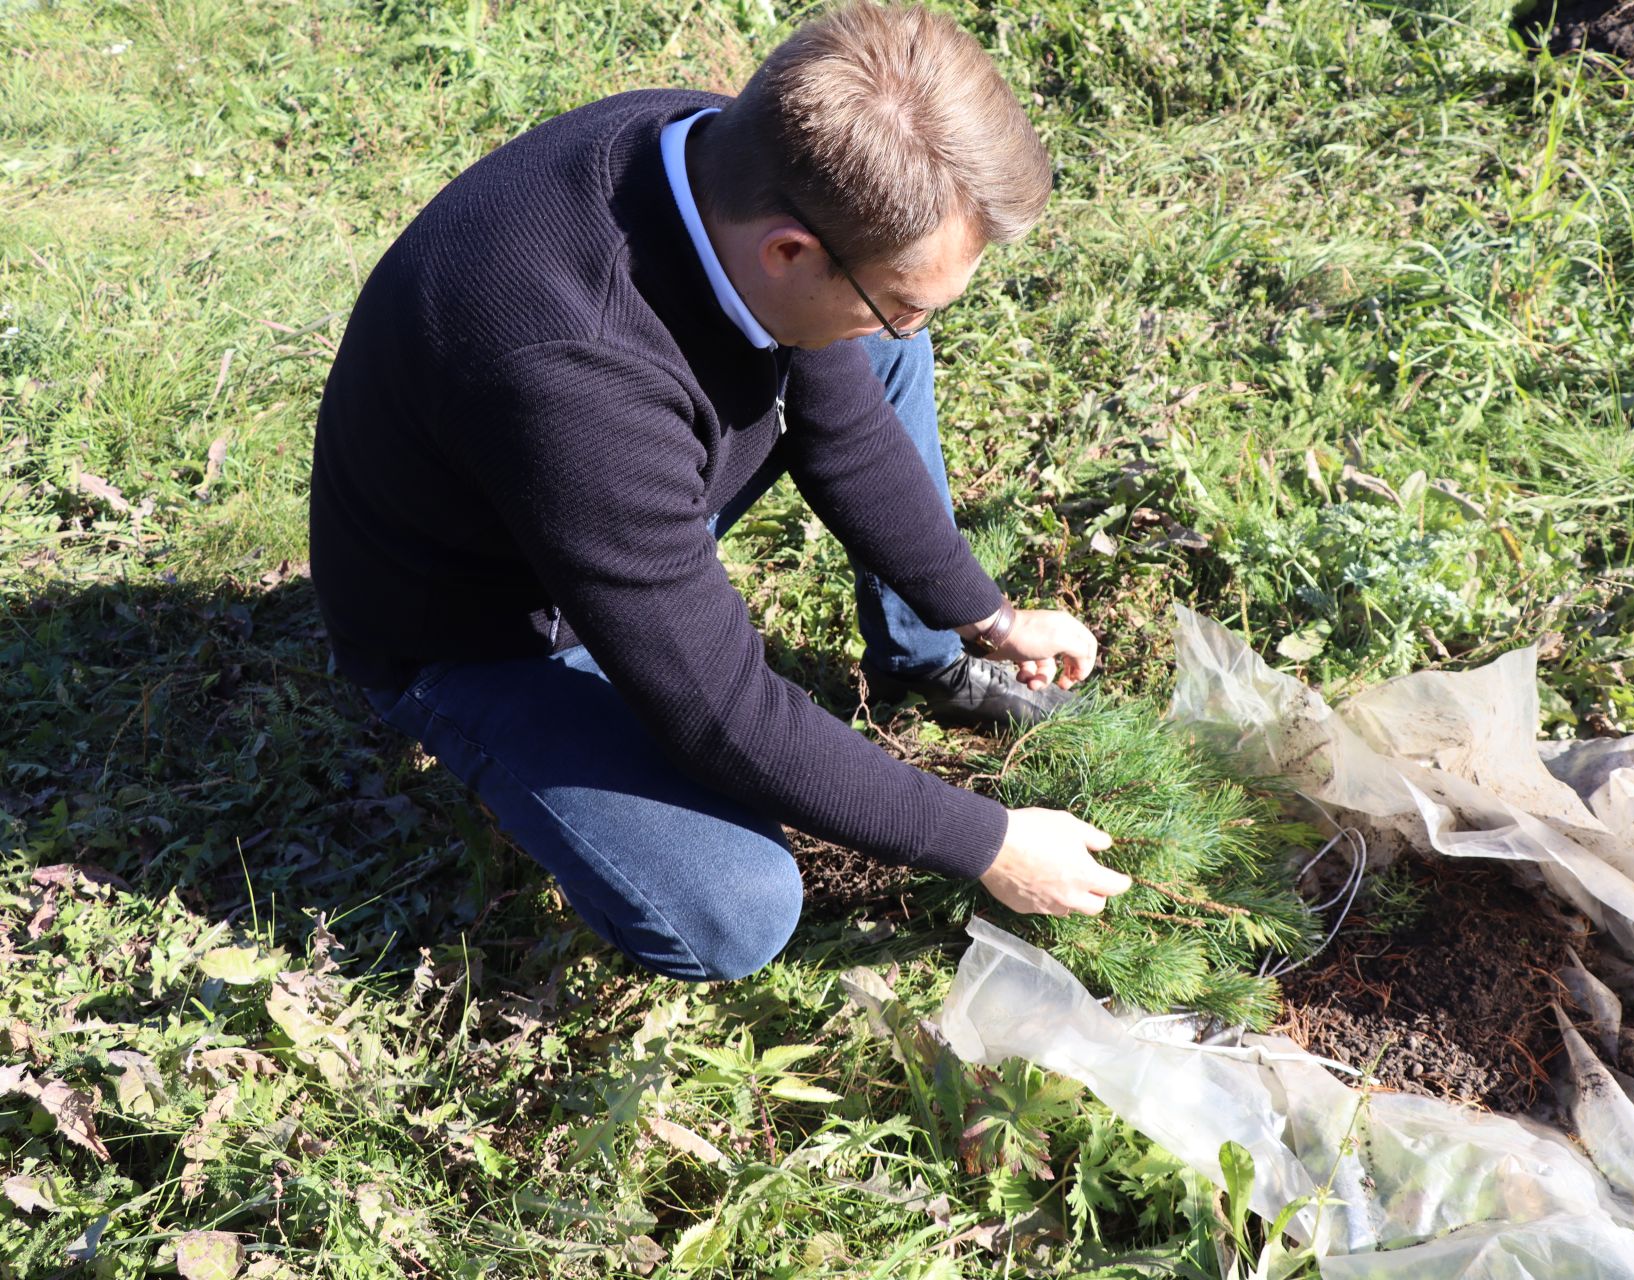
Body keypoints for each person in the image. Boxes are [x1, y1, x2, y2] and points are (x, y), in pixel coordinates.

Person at [306, 2, 1132, 982]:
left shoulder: (734, 156)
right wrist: (985, 840)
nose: (907, 325)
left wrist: (986, 614)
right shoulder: (573, 376)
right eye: (902, 302)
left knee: (873, 361)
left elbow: (844, 423)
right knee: (731, 908)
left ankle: (925, 656)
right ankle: (567, 711)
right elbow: (723, 713)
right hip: (483, 628)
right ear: (790, 252)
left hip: (597, 497)